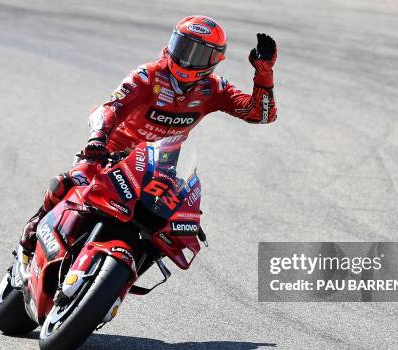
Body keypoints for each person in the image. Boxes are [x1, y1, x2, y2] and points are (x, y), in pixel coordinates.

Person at [19, 15, 278, 254]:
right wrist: (97, 139)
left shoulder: (215, 89)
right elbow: (111, 108)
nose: (186, 58)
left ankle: (124, 269)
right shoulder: (148, 76)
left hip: (159, 167)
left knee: (167, 229)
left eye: (197, 52)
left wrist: (263, 74)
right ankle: (37, 221)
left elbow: (260, 114)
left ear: (214, 59)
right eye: (182, 46)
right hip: (112, 153)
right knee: (72, 180)